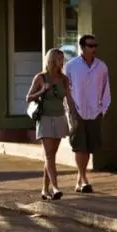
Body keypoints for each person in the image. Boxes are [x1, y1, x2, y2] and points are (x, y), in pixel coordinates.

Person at [63, 33, 110, 193]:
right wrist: (70, 108)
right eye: (90, 46)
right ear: (82, 47)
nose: (94, 49)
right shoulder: (71, 66)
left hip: (94, 111)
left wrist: (102, 109)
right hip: (77, 110)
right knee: (79, 146)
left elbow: (106, 88)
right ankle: (84, 179)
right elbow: (66, 89)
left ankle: (79, 180)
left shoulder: (102, 67)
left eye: (95, 45)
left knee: (89, 146)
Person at [26, 48, 73, 200]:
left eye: (63, 59)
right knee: (49, 155)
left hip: (59, 118)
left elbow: (69, 100)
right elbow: (28, 98)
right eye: (60, 59)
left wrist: (74, 117)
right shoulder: (40, 78)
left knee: (51, 156)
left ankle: (44, 189)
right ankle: (56, 188)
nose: (63, 62)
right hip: (45, 118)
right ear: (52, 60)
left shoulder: (64, 79)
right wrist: (41, 91)